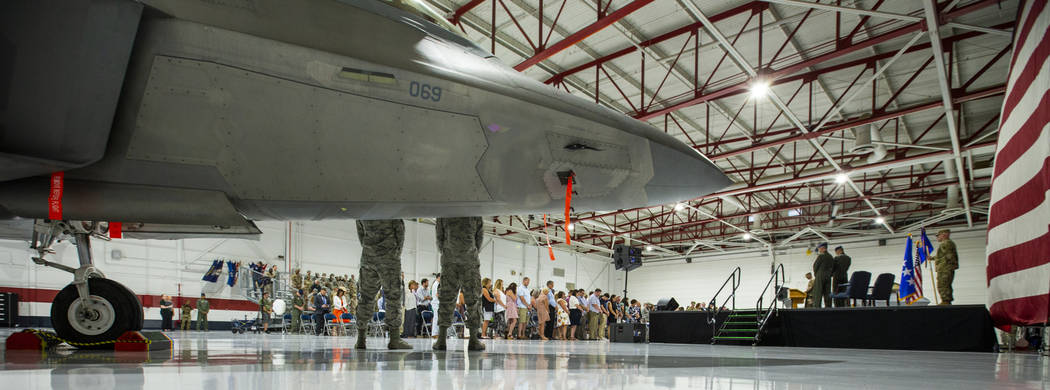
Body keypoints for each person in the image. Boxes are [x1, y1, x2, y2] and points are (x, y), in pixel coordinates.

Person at [354, 219, 411, 349]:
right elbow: (400, 231)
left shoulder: (363, 210)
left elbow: (361, 234)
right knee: (393, 298)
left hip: (368, 257)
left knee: (366, 297)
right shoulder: (391, 206)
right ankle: (394, 339)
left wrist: (369, 248)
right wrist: (395, 253)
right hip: (389, 257)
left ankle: (361, 339)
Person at [432, 217, 486, 351]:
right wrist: (469, 253)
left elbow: (439, 238)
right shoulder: (475, 214)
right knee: (473, 299)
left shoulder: (444, 213)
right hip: (469, 260)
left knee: (446, 298)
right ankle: (473, 339)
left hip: (449, 260)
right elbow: (479, 239)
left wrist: (447, 252)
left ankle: (441, 339)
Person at [932, 229, 959, 305]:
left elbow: (949, 256)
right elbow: (942, 255)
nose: (938, 237)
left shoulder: (946, 243)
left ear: (944, 235)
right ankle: (946, 300)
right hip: (945, 267)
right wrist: (932, 258)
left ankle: (946, 301)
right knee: (944, 284)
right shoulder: (947, 243)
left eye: (938, 235)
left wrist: (947, 266)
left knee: (943, 284)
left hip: (945, 268)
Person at [811, 243, 834, 308]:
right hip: (828, 276)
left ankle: (817, 307)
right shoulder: (831, 257)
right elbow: (833, 267)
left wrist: (816, 274)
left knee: (818, 292)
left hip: (820, 275)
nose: (819, 250)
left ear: (823, 248)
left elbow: (815, 266)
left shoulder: (821, 256)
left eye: (819, 248)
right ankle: (828, 307)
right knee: (827, 292)